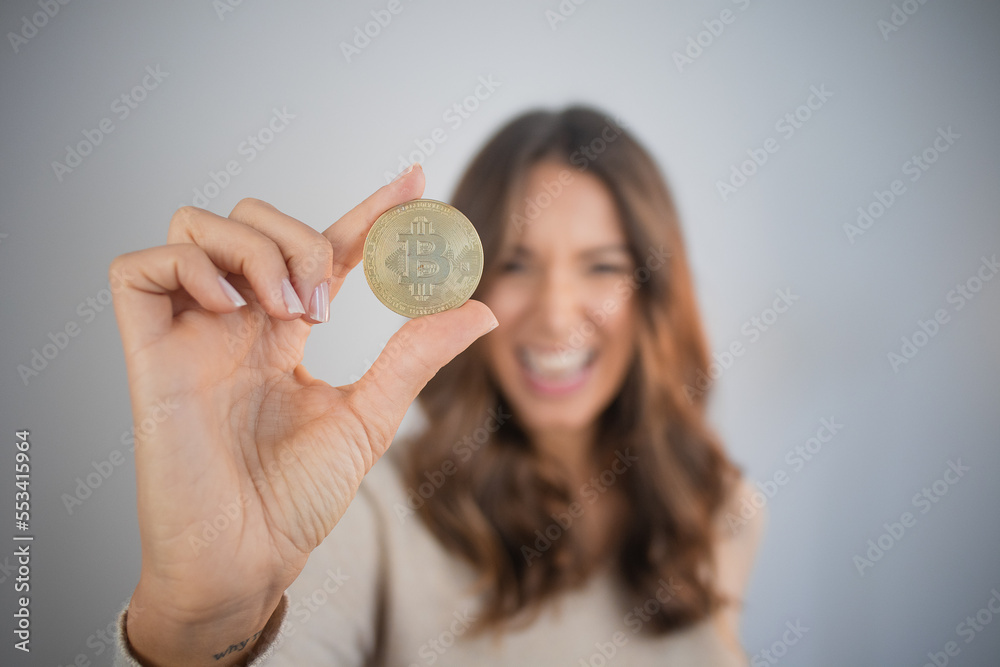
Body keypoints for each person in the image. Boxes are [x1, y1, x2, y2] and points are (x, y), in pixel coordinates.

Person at [111, 106, 766, 666]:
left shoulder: (717, 508)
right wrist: (196, 625)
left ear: (652, 292)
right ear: (465, 278)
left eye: (602, 266)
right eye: (515, 262)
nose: (558, 312)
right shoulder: (363, 509)